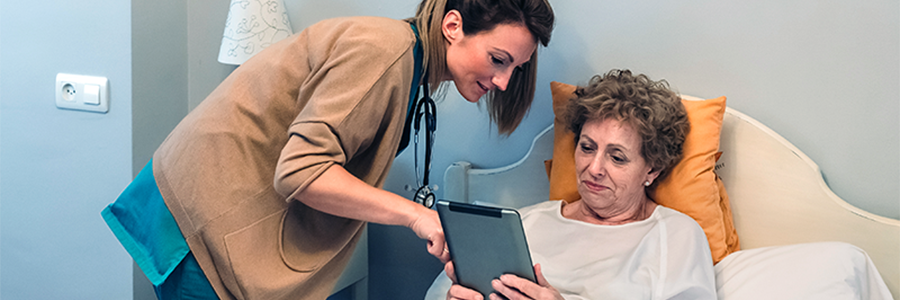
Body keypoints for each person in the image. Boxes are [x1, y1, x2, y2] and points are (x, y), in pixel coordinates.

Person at [100, 0, 554, 299]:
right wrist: (415, 215)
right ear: (453, 26)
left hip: (204, 203)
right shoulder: (386, 51)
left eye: (514, 68)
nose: (503, 82)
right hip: (196, 216)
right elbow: (301, 172)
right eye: (499, 60)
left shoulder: (410, 65)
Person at [430, 70, 717, 300]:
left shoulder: (676, 235)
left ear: (652, 169)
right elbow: (437, 292)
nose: (594, 169)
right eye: (587, 147)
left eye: (617, 157)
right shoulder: (524, 224)